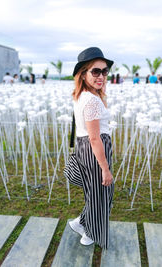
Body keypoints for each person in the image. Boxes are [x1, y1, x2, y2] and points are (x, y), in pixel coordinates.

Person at [69, 47, 114, 249]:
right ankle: (89, 234)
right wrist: (105, 168)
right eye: (95, 71)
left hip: (84, 148)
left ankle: (79, 223)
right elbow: (95, 137)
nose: (101, 76)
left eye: (104, 71)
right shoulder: (92, 100)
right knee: (101, 194)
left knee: (94, 192)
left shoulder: (82, 95)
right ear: (83, 74)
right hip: (94, 149)